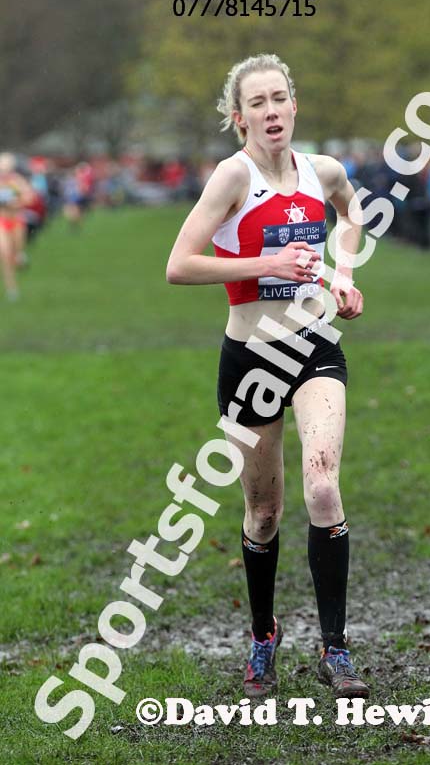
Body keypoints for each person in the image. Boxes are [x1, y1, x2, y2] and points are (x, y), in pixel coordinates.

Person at [166, 54, 368, 699]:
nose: (271, 111)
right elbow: (179, 265)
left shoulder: (323, 170)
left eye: (279, 98)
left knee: (323, 487)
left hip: (313, 348)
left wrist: (344, 273)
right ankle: (262, 635)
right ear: (239, 117)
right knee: (262, 511)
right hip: (250, 357)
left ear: (294, 104)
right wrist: (266, 259)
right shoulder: (232, 177)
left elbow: (351, 214)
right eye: (257, 103)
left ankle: (335, 648)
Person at [0, 152, 34, 301]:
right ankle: (11, 288)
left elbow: (30, 198)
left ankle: (20, 256)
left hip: (17, 221)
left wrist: (17, 202)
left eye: (6, 169)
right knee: (5, 254)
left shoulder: (17, 181)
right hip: (1, 220)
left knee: (15, 255)